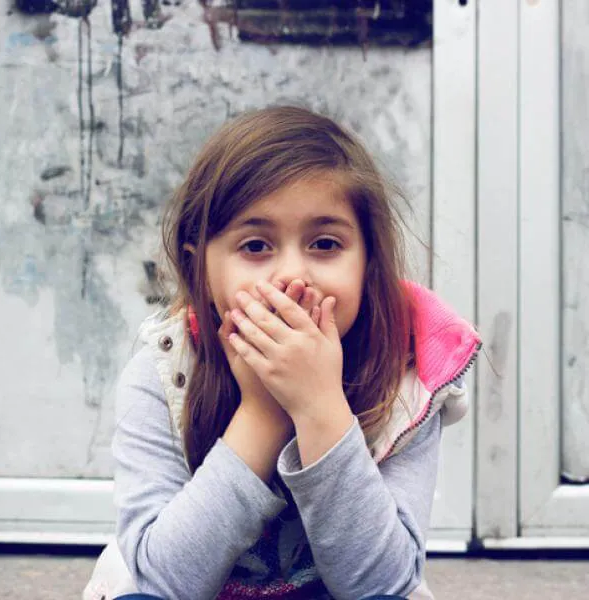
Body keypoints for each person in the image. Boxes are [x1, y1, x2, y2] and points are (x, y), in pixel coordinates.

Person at [83, 106, 482, 600]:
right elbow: (164, 582)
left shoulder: (409, 380)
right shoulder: (163, 374)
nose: (292, 274)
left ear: (368, 264)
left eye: (325, 244)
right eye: (255, 246)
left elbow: (384, 583)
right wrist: (263, 413)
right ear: (201, 271)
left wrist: (318, 406)